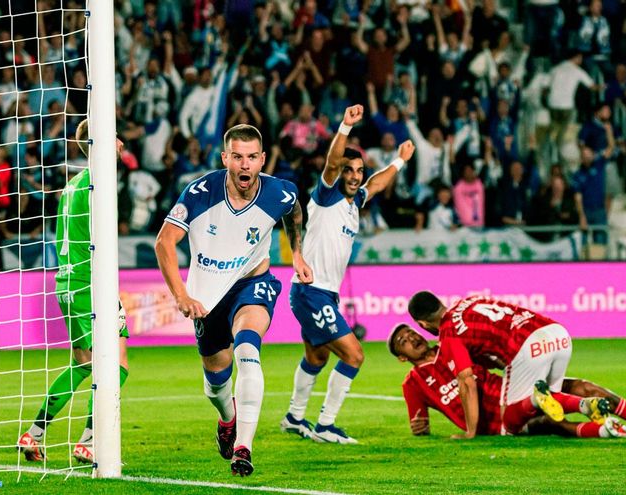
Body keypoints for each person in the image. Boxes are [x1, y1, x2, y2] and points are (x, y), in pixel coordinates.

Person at [154, 124, 312, 477]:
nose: (245, 165)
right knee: (216, 382)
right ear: (225, 158)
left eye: (252, 157)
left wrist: (297, 254)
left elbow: (294, 211)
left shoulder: (279, 191)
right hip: (208, 296)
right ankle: (228, 418)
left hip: (252, 283)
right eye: (238, 157)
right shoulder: (200, 193)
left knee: (247, 348)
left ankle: (244, 447)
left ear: (262, 159)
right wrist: (181, 295)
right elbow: (164, 243)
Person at [281, 104, 415, 444]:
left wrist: (399, 161)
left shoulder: (355, 204)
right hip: (311, 291)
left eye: (358, 171)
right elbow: (331, 162)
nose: (354, 176)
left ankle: (294, 417)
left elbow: (377, 183)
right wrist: (344, 126)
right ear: (339, 174)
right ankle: (326, 425)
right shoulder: (327, 196)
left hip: (321, 293)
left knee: (317, 356)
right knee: (354, 355)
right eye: (348, 170)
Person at [18, 120, 130, 465]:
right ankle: (90, 441)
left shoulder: (72, 184)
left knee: (82, 363)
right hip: (90, 284)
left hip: (65, 282)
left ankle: (34, 433)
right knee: (118, 364)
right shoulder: (99, 183)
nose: (121, 142)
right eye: (115, 136)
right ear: (102, 141)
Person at [387, 324, 626, 437]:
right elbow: (419, 427)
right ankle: (602, 426)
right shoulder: (412, 383)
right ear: (402, 357)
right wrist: (421, 428)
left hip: (510, 389)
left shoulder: (452, 345)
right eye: (403, 341)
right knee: (546, 421)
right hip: (495, 419)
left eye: (410, 332)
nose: (410, 338)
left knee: (582, 386)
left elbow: (496, 362)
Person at [407, 291, 573, 440]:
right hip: (556, 333)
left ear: (423, 324)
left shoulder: (449, 334)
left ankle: (535, 400)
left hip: (526, 347)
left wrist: (470, 432)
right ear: (439, 302)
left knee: (509, 422)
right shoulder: (469, 300)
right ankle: (586, 405)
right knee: (557, 395)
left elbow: (467, 382)